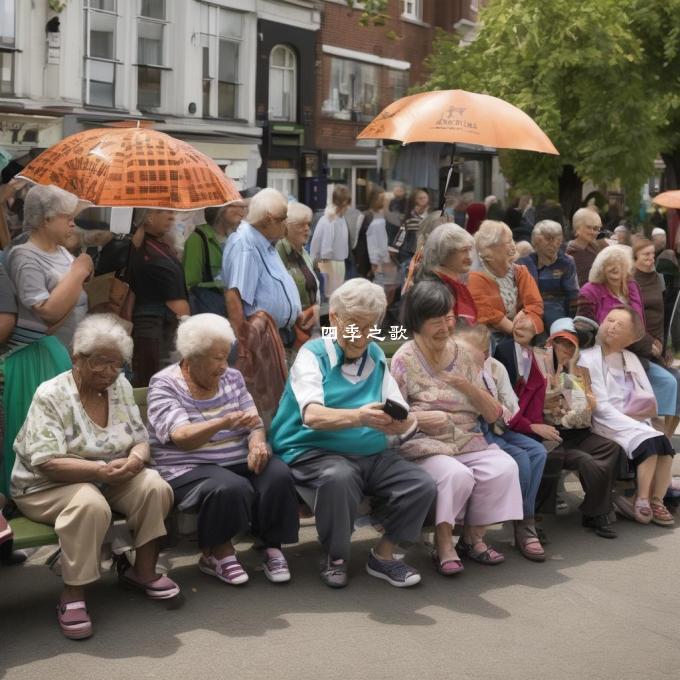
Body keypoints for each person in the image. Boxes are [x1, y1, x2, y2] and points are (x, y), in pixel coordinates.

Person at [11, 315, 179, 640]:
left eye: (117, 365)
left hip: (108, 476)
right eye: (101, 362)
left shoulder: (120, 386)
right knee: (90, 504)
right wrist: (101, 470)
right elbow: (47, 462)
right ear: (77, 356)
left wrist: (135, 458)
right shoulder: (52, 395)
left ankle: (142, 572)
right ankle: (73, 595)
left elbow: (140, 438)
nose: (109, 372)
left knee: (154, 487)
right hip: (45, 485)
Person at [269, 278, 436, 588]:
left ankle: (383, 556)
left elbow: (401, 411)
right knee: (339, 477)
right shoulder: (313, 354)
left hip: (370, 452)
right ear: (334, 318)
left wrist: (403, 423)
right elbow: (312, 415)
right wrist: (359, 416)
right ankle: (336, 557)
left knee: (420, 484)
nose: (361, 336)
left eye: (369, 326)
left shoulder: (374, 356)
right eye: (354, 326)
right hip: (312, 451)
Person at [147, 314, 299, 586]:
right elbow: (182, 437)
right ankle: (217, 553)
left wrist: (256, 443)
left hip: (234, 459)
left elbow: (254, 423)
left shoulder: (233, 378)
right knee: (230, 486)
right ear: (192, 356)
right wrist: (223, 422)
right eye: (216, 358)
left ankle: (271, 546)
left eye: (225, 356)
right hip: (187, 466)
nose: (223, 366)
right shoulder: (165, 384)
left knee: (277, 472)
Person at [391, 282, 523, 573]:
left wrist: (466, 385)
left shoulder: (463, 355)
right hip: (425, 443)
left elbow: (491, 414)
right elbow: (395, 418)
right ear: (417, 322)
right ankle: (443, 544)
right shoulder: (404, 358)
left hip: (467, 439)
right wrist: (421, 418)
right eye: (436, 320)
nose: (445, 326)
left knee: (504, 467)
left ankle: (472, 538)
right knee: (455, 474)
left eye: (448, 317)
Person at [494, 315, 621, 539]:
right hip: (549, 432)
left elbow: (584, 409)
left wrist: (570, 370)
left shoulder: (578, 372)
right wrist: (554, 399)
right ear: (549, 344)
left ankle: (594, 510)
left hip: (576, 431)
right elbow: (529, 403)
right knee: (576, 459)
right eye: (559, 344)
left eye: (571, 346)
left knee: (611, 447)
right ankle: (536, 519)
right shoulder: (538, 366)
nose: (565, 349)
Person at [3, 185, 90, 494]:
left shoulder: (62, 250)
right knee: (34, 426)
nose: (72, 222)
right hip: (33, 356)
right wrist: (78, 273)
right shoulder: (24, 255)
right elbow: (48, 312)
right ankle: (29, 493)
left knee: (62, 427)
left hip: (59, 351)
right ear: (44, 219)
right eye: (66, 216)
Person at [456, 323, 547, 561]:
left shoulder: (494, 368)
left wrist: (520, 422)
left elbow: (510, 407)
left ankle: (524, 521)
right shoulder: (459, 366)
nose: (484, 354)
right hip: (476, 429)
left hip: (499, 425)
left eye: (486, 349)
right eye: (479, 349)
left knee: (537, 451)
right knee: (521, 459)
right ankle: (522, 524)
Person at [578, 307, 675, 527]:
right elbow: (600, 406)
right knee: (650, 440)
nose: (611, 326)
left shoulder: (630, 358)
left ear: (631, 337)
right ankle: (640, 499)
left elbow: (647, 396)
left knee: (665, 444)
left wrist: (645, 424)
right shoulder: (588, 358)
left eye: (619, 325)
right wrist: (636, 426)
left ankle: (656, 500)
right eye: (609, 320)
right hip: (608, 423)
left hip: (635, 421)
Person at [577, 245, 679, 439]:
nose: (616, 269)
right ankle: (640, 430)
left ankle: (661, 435)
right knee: (658, 382)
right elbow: (585, 327)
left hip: (636, 350)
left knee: (671, 381)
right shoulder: (590, 290)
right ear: (601, 268)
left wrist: (652, 343)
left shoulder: (632, 286)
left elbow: (639, 322)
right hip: (607, 353)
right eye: (610, 265)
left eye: (620, 264)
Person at [221, 188, 302, 418]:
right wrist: (247, 346)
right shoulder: (246, 244)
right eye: (282, 219)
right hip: (259, 343)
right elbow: (234, 297)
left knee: (278, 402)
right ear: (268, 220)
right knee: (266, 407)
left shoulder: (265, 241)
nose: (286, 224)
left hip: (276, 337)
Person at [129, 208, 189, 387]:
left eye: (172, 212)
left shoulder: (161, 245)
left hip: (166, 328)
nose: (172, 216)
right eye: (164, 211)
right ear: (147, 217)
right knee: (155, 385)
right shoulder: (142, 248)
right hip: (153, 330)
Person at [468, 220, 544, 343]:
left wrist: (529, 321)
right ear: (490, 249)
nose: (514, 245)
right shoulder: (475, 278)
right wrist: (518, 331)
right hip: (490, 339)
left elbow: (535, 304)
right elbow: (492, 317)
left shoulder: (521, 271)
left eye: (512, 240)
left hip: (522, 331)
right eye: (508, 242)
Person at [183, 200, 247, 315]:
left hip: (233, 310)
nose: (242, 211)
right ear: (220, 209)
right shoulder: (198, 239)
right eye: (236, 205)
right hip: (210, 312)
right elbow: (190, 284)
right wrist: (222, 284)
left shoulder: (236, 239)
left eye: (243, 207)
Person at [517, 219, 579, 331]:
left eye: (558, 239)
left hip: (556, 310)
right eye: (548, 239)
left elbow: (573, 295)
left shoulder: (566, 262)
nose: (554, 243)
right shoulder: (523, 263)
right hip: (529, 310)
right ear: (535, 241)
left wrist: (574, 319)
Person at [276, 202, 320, 348]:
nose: (307, 229)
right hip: (290, 332)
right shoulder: (278, 251)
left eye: (308, 224)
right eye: (301, 225)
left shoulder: (303, 252)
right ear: (287, 227)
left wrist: (315, 309)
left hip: (309, 325)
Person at [415, 222, 477, 325]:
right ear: (445, 252)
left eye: (470, 249)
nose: (469, 256)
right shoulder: (435, 290)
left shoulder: (450, 283)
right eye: (463, 250)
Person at [309, 185, 350, 300]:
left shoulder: (339, 218)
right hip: (330, 263)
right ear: (344, 203)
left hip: (337, 262)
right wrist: (328, 272)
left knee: (335, 297)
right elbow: (326, 249)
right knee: (332, 297)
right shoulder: (330, 219)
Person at [363, 187, 400, 304]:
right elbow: (373, 244)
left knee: (388, 294)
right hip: (380, 263)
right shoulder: (373, 219)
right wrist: (374, 264)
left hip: (389, 263)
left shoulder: (389, 218)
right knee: (380, 296)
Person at [566, 207, 608, 286]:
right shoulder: (570, 252)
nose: (593, 232)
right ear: (577, 227)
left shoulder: (596, 247)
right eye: (589, 227)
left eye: (596, 229)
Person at [393, 188, 430, 266]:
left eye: (425, 197)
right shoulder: (410, 217)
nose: (423, 200)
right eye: (420, 198)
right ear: (414, 200)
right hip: (409, 252)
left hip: (424, 252)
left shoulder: (431, 215)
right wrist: (395, 248)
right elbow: (402, 233)